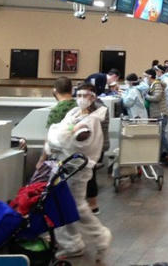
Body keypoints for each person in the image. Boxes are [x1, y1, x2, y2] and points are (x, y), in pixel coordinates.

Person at [47, 83, 111, 259]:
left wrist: (60, 134)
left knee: (77, 205)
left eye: (86, 95)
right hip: (64, 164)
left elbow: (66, 141)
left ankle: (99, 236)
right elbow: (56, 134)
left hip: (78, 168)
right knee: (63, 203)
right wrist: (61, 133)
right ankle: (72, 242)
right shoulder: (74, 113)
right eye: (79, 95)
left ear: (93, 97)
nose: (82, 98)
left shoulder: (93, 120)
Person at [143, 68, 168, 164]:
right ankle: (161, 155)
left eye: (145, 76)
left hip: (160, 113)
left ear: (150, 76)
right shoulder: (153, 85)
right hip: (157, 113)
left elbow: (157, 97)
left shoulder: (156, 84)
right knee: (160, 136)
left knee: (163, 136)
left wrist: (146, 96)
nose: (145, 78)